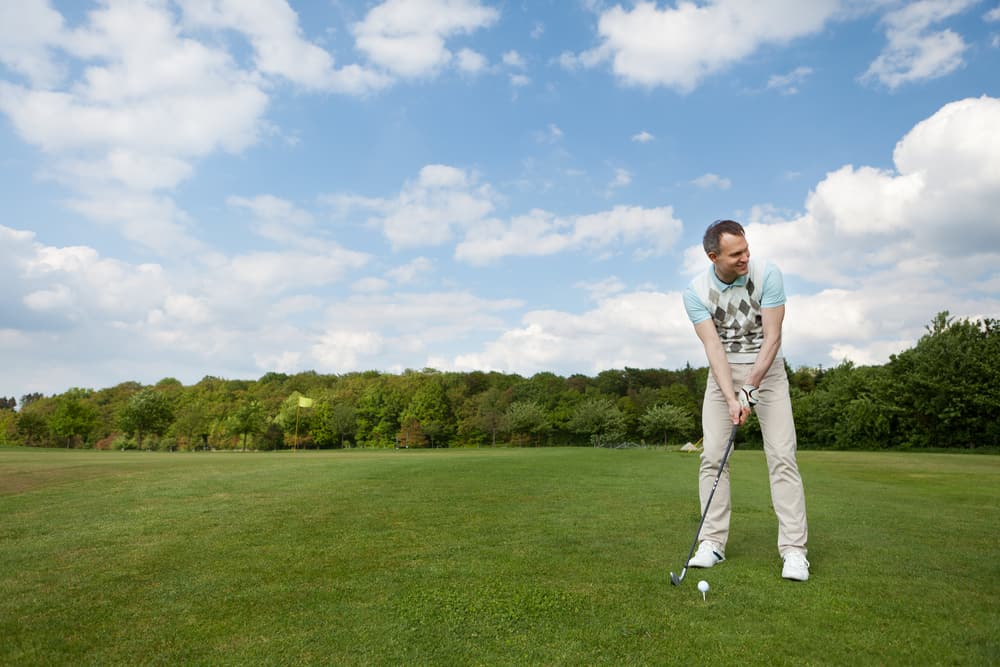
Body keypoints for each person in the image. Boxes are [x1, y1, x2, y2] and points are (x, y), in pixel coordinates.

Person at [682, 219, 810, 581]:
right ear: (713, 256)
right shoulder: (695, 292)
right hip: (723, 376)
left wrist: (749, 390)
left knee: (782, 456)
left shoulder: (768, 274)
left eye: (746, 249)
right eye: (736, 253)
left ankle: (794, 551)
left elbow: (772, 338)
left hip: (767, 373)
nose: (745, 257)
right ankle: (711, 543)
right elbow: (713, 348)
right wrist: (730, 397)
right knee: (713, 459)